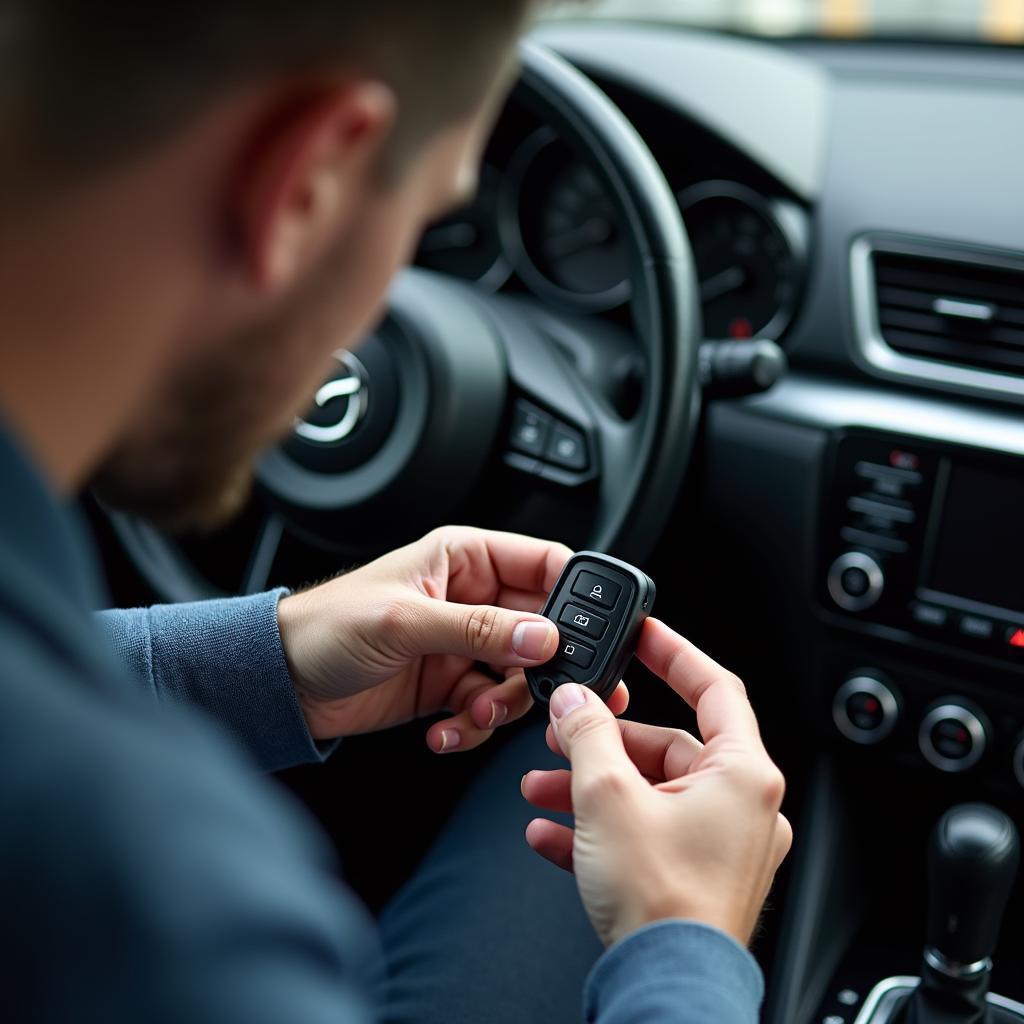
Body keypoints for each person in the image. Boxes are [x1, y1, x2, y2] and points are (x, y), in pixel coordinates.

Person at [0, 2, 791, 1022]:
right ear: (307, 181)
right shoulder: (168, 910)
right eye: (423, 221)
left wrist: (269, 659)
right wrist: (684, 946)